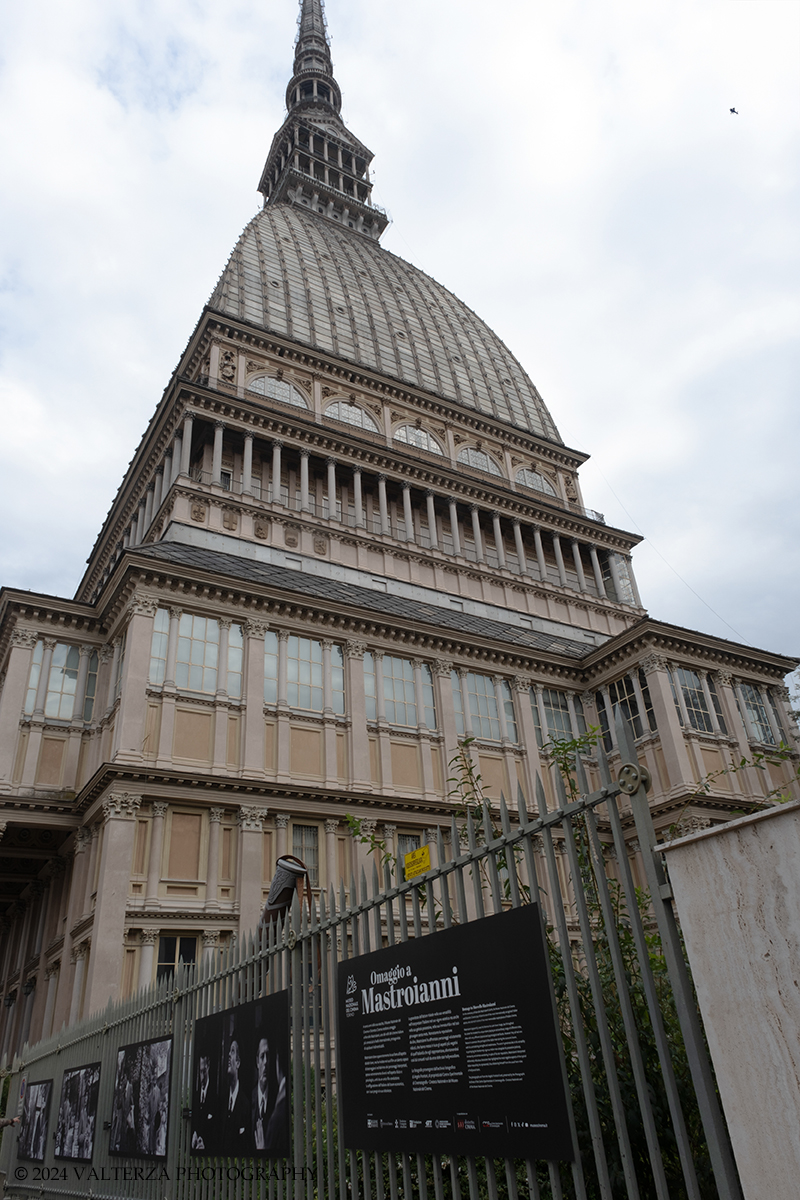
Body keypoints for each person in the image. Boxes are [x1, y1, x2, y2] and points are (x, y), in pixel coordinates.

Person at [251, 1036, 288, 1154]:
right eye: (262, 1057)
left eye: (268, 1056)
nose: (266, 1062)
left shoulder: (277, 1099)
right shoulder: (248, 1100)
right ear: (257, 1062)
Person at [221, 1039, 249, 1155]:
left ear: (238, 1063)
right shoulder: (221, 1101)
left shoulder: (246, 1104)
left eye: (232, 1051)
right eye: (228, 1051)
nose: (228, 1055)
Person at [191, 1053, 215, 1151]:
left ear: (208, 1067)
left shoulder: (215, 1097)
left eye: (204, 1071)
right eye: (200, 1072)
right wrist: (193, 1134)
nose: (202, 1077)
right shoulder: (195, 1097)